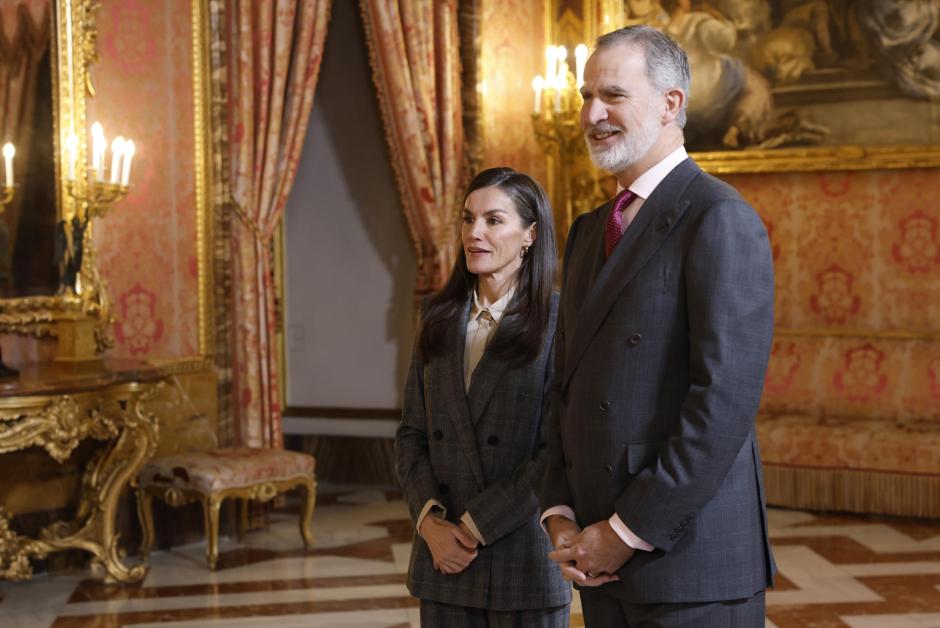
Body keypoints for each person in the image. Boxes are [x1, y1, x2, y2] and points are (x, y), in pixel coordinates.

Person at [541, 25, 776, 626]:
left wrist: (627, 530)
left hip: (688, 560)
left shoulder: (720, 217)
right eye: (586, 96)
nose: (593, 113)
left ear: (672, 103)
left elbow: (722, 405)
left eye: (613, 95)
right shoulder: (590, 230)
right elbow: (562, 386)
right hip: (596, 553)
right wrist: (561, 513)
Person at [397, 167, 571, 627]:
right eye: (467, 218)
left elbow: (556, 450)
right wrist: (430, 523)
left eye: (494, 220)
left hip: (521, 561)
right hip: (444, 562)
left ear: (530, 234)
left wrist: (472, 528)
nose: (475, 233)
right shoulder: (436, 315)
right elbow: (411, 434)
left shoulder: (562, 321)